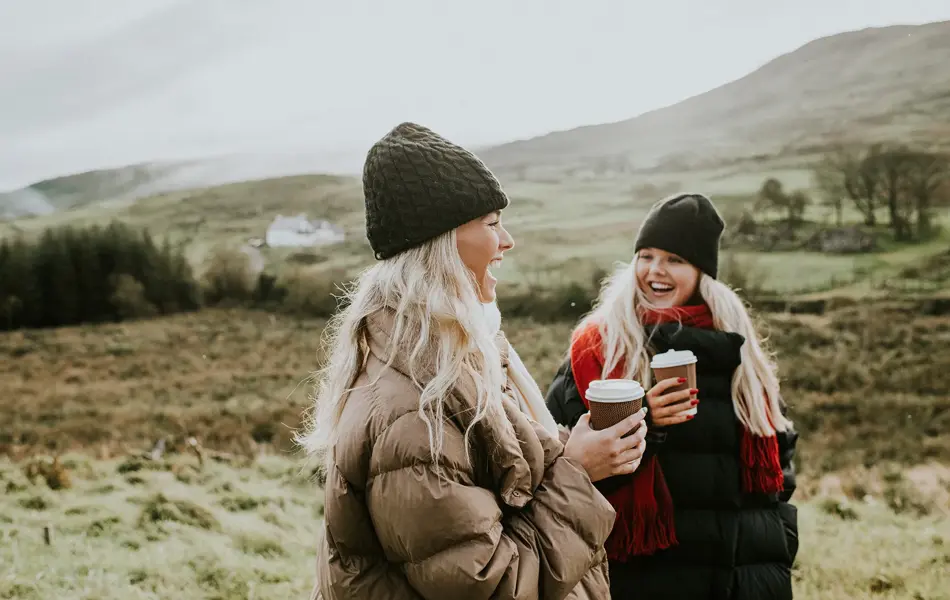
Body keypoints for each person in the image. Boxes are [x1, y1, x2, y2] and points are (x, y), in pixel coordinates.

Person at [299, 122, 650, 600]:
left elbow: (498, 486)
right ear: (441, 246)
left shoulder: (454, 358)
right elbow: (490, 585)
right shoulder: (414, 413)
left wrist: (573, 451)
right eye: (491, 223)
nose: (507, 241)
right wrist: (578, 473)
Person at [545, 193, 800, 600]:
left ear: (702, 272)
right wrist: (645, 418)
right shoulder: (599, 348)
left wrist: (777, 540)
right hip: (642, 577)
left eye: (674, 259)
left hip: (743, 579)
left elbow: (778, 461)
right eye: (645, 256)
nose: (655, 271)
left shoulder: (739, 349)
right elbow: (558, 462)